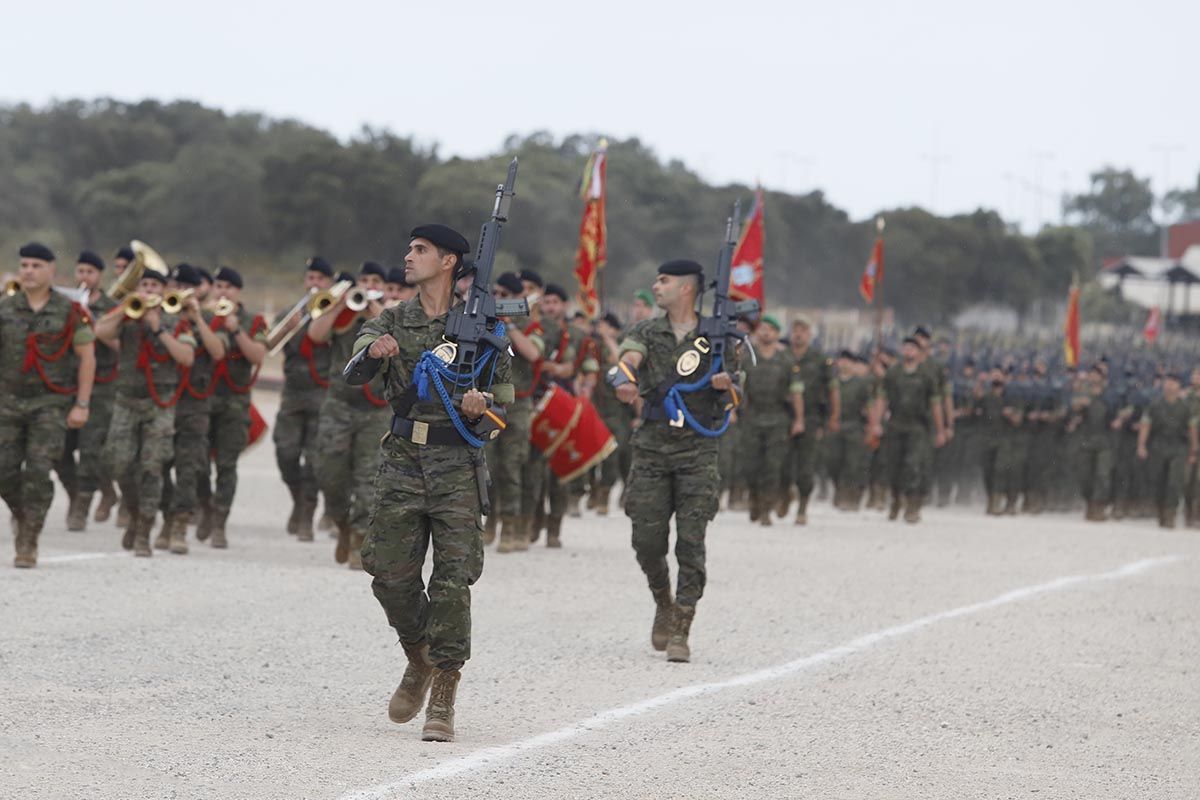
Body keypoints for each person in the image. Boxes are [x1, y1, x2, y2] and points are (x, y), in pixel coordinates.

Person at [349, 224, 512, 743]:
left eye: (419, 250)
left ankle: (444, 688)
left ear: (449, 262)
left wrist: (482, 407)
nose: (407, 256)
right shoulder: (392, 319)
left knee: (451, 581)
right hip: (401, 461)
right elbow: (353, 370)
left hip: (455, 465)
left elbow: (504, 410)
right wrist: (374, 352)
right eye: (410, 247)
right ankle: (418, 656)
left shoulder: (484, 330)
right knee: (387, 574)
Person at [611, 259, 739, 663]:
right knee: (646, 540)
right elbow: (626, 361)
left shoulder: (717, 338)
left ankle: (682, 625)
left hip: (697, 450)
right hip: (651, 446)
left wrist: (725, 385)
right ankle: (662, 599)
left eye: (664, 280)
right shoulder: (646, 331)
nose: (656, 285)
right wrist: (623, 381)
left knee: (691, 541)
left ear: (686, 289)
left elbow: (737, 395)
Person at [1, 244, 96, 567]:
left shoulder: (70, 312)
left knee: (39, 469)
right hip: (8, 402)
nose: (28, 270)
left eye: (36, 265)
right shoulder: (5, 309)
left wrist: (81, 403)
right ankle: (23, 514)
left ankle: (28, 538)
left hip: (51, 403)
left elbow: (86, 359)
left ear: (52, 270)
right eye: (24, 264)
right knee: (4, 469)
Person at [94, 260, 195, 556]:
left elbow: (186, 357)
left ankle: (144, 531)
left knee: (153, 467)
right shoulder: (125, 316)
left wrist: (158, 328)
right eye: (144, 286)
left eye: (154, 286)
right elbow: (101, 332)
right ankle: (135, 513)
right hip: (126, 400)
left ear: (165, 291)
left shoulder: (177, 320)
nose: (148, 290)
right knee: (119, 463)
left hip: (159, 403)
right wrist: (125, 308)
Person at [308, 261, 390, 568]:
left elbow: (397, 331)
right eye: (364, 280)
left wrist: (372, 304)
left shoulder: (389, 313)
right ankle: (341, 524)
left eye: (375, 280)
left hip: (375, 410)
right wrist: (340, 304)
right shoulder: (343, 315)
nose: (369, 284)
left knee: (368, 478)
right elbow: (316, 335)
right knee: (330, 473)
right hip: (339, 406)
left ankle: (358, 538)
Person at [156, 264, 227, 553]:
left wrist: (197, 318)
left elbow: (218, 352)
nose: (180, 290)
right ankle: (166, 516)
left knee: (188, 468)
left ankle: (180, 525)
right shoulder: (159, 314)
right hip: (162, 400)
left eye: (187, 285)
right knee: (156, 465)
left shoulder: (213, 316)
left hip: (195, 404)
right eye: (176, 284)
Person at [197, 266, 267, 547]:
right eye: (218, 285)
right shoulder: (202, 316)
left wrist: (235, 329)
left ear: (238, 291)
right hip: (203, 397)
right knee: (197, 461)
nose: (222, 291)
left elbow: (257, 354)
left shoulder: (253, 321)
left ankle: (219, 523)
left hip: (234, 402)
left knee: (227, 464)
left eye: (228, 286)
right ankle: (205, 506)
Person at [56, 250, 119, 530]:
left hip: (102, 387)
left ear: (99, 276)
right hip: (67, 382)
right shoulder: (64, 303)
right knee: (59, 448)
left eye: (90, 272)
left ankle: (82, 504)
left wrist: (95, 323)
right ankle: (74, 493)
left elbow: (122, 347)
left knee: (92, 449)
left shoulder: (113, 307)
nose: (84, 277)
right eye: (80, 271)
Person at [273, 257, 334, 541]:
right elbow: (268, 345)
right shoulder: (290, 313)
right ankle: (297, 499)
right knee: (285, 452)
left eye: (320, 279)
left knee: (314, 459)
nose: (314, 284)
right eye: (310, 278)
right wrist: (288, 328)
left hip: (322, 394)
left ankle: (307, 512)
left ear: (329, 284)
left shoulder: (336, 316)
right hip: (293, 394)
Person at [489, 271, 543, 552]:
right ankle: (489, 521)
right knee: (485, 466)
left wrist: (509, 326)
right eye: (495, 294)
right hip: (488, 402)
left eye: (505, 296)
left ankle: (510, 524)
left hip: (518, 406)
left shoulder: (531, 324)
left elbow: (533, 353)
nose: (498, 299)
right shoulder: (485, 320)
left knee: (512, 466)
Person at [870, 336, 946, 523]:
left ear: (919, 353)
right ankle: (896, 499)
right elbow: (882, 399)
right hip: (895, 424)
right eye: (906, 347)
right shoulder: (893, 373)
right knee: (894, 466)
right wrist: (876, 423)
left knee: (913, 465)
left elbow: (935, 404)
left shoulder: (927, 376)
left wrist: (940, 429)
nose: (908, 351)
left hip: (917, 426)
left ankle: (912, 506)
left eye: (913, 348)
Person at [737, 315, 802, 525]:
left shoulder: (786, 360)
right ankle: (754, 498)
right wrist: (732, 410)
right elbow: (738, 388)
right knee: (750, 464)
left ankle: (766, 508)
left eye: (770, 329)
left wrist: (799, 419)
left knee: (772, 466)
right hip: (752, 417)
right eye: (762, 329)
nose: (765, 332)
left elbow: (796, 392)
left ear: (777, 334)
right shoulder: (747, 358)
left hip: (778, 418)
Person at [786, 315, 839, 524]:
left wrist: (834, 416)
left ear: (809, 334)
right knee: (781, 462)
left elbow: (833, 390)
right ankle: (784, 491)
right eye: (795, 329)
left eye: (803, 330)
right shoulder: (783, 356)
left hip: (812, 417)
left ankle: (802, 506)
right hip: (783, 416)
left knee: (806, 465)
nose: (798, 334)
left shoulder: (820, 360)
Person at [1137, 372, 1198, 528]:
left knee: (1174, 482)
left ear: (1179, 387)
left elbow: (1192, 429)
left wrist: (1193, 450)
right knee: (1159, 481)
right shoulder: (1155, 405)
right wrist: (1141, 445)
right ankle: (1161, 511)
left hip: (1178, 448)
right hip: (1158, 446)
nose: (1170, 386)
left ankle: (1170, 514)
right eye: (1168, 382)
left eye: (1174, 383)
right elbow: (1145, 425)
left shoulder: (1185, 407)